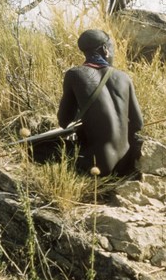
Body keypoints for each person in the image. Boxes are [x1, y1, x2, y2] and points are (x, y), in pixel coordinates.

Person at [57, 29, 143, 176]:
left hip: (96, 164)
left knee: (43, 148)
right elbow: (138, 124)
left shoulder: (74, 74)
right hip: (124, 164)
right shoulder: (124, 77)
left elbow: (64, 121)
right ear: (105, 49)